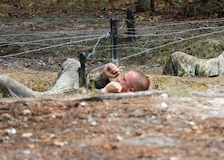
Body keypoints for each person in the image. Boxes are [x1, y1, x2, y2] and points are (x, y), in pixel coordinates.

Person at [0, 58, 150, 98]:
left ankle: (42, 96)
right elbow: (86, 88)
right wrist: (103, 77)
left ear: (130, 90)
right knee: (73, 63)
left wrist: (103, 92)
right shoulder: (115, 90)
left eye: (123, 80)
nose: (118, 79)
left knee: (4, 80)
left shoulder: (122, 103)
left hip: (58, 99)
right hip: (68, 91)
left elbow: (77, 99)